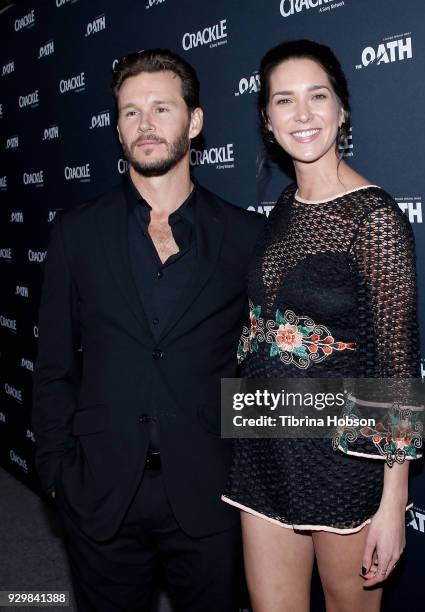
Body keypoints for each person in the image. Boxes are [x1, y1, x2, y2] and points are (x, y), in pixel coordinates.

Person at [33, 48, 265, 612]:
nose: (146, 125)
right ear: (117, 129)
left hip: (210, 492)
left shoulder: (245, 237)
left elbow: (267, 366)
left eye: (162, 109)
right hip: (101, 489)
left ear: (196, 120)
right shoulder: (76, 233)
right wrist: (58, 475)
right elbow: (55, 367)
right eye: (131, 112)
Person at [222, 40, 424, 612]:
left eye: (318, 96)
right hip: (263, 447)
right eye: (284, 100)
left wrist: (393, 503)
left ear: (342, 109)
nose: (302, 114)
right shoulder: (285, 206)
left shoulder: (375, 218)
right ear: (266, 120)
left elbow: (397, 367)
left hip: (344, 461)